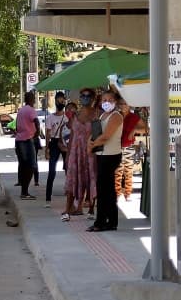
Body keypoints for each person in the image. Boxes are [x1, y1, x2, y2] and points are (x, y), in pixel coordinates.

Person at [88, 89, 124, 232]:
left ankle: (104, 222)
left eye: (109, 100)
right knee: (105, 189)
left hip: (111, 155)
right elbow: (95, 133)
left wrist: (92, 144)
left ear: (115, 101)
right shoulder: (103, 115)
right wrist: (89, 144)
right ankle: (106, 221)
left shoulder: (116, 116)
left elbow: (106, 136)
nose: (106, 102)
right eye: (104, 100)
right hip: (102, 154)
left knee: (105, 190)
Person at [61, 89, 99, 222]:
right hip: (75, 152)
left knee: (91, 179)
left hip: (90, 152)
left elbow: (98, 135)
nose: (85, 98)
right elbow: (72, 136)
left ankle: (91, 209)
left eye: (88, 96)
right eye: (83, 95)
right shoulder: (75, 115)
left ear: (93, 98)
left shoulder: (97, 114)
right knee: (72, 179)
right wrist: (67, 154)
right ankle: (68, 209)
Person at [114, 100, 148, 201]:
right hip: (116, 147)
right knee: (117, 172)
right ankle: (117, 193)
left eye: (125, 104)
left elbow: (146, 129)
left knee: (128, 172)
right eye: (120, 104)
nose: (122, 106)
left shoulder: (134, 117)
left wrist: (135, 130)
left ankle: (127, 194)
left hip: (129, 146)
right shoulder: (115, 116)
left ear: (129, 105)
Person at [13, 91, 41, 201]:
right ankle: (24, 192)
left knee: (24, 165)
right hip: (27, 140)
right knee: (32, 165)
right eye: (33, 98)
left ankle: (23, 191)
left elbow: (16, 125)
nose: (34, 100)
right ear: (31, 99)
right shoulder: (30, 110)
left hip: (19, 140)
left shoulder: (21, 110)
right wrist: (37, 133)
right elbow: (36, 121)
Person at [43, 94, 70, 204]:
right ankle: (48, 198)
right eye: (59, 101)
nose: (60, 103)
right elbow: (48, 133)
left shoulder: (68, 117)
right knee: (52, 171)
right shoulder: (50, 118)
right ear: (55, 101)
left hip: (65, 143)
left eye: (62, 101)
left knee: (68, 169)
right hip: (54, 143)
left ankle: (70, 194)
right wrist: (47, 149)